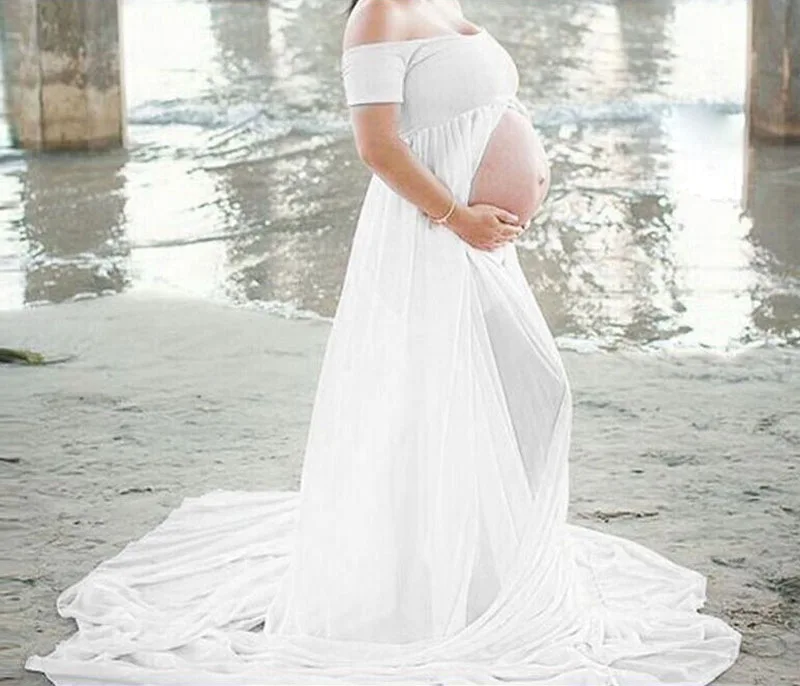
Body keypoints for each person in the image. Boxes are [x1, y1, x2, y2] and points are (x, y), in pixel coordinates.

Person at [25, 1, 742, 683]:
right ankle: (445, 587)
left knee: (510, 399)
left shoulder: (437, 4)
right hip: (433, 238)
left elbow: (472, 110)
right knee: (487, 397)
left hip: (482, 243)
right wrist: (459, 216)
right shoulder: (376, 14)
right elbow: (377, 146)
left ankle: (489, 568)